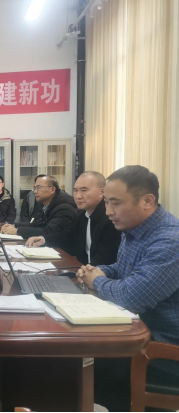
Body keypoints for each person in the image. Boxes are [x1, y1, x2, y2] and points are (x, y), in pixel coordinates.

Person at [75, 166, 179, 411]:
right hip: (137, 332)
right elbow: (123, 269)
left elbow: (131, 296)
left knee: (81, 365)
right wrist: (97, 270)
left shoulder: (169, 241)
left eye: (116, 203)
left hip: (163, 351)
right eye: (107, 202)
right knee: (72, 361)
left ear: (147, 201)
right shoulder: (134, 227)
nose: (108, 211)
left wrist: (96, 281)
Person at [25, 171, 121, 266]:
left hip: (98, 273)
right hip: (83, 269)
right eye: (75, 190)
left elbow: (107, 259)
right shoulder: (83, 214)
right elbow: (68, 236)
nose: (78, 196)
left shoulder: (111, 219)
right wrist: (43, 239)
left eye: (84, 190)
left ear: (102, 192)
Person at [1, 175, 77, 238]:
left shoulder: (64, 208)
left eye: (38, 187)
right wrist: (14, 225)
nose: (35, 191)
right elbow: (37, 224)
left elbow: (49, 232)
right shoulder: (48, 204)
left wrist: (17, 231)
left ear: (52, 190)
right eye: (34, 188)